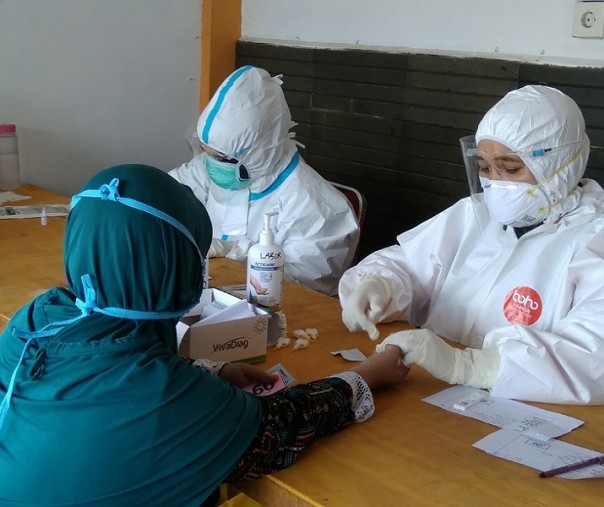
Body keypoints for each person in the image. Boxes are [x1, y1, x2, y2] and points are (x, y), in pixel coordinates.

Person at [0, 164, 408, 507]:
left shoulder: (37, 318)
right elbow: (280, 429)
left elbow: (109, 366)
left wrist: (210, 371)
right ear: (181, 271)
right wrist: (368, 376)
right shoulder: (165, 397)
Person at [339, 85, 604, 405]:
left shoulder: (594, 240)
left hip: (523, 410)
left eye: (510, 167)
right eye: (484, 167)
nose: (495, 181)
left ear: (561, 163)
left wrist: (473, 366)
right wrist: (380, 284)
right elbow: (409, 264)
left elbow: (593, 357)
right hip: (427, 392)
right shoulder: (474, 215)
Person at [170, 65, 360, 296]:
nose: (211, 163)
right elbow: (167, 194)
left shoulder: (321, 210)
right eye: (205, 151)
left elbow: (303, 290)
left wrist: (235, 252)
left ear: (258, 151)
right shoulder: (211, 166)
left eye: (221, 157)